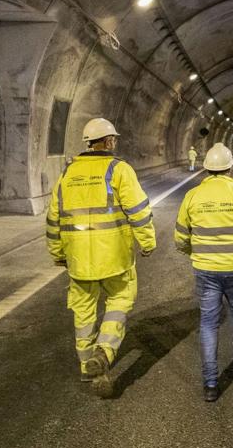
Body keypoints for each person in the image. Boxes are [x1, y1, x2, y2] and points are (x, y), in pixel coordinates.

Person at [46, 117, 155, 396]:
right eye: (113, 139)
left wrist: (58, 254)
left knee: (83, 313)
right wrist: (147, 242)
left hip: (79, 260)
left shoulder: (67, 174)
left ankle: (87, 369)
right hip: (115, 258)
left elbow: (53, 219)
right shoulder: (118, 170)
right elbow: (139, 211)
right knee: (120, 300)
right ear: (108, 142)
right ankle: (104, 352)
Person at [174, 143, 233, 401]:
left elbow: (181, 235)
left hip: (205, 269)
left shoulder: (192, 196)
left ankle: (210, 383)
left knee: (208, 322)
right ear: (229, 168)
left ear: (206, 169)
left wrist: (189, 251)